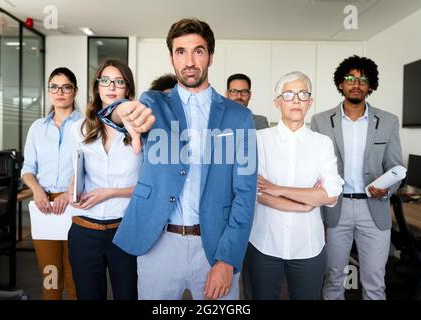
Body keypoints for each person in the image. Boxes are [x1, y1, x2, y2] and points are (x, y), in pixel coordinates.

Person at [101, 18, 257, 300]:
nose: (189, 61)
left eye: (198, 51)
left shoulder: (239, 117)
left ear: (210, 55)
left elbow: (245, 193)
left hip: (215, 246)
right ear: (171, 57)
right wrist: (121, 112)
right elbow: (120, 112)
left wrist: (228, 259)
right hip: (159, 242)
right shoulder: (153, 103)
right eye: (180, 52)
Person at [311, 55, 403, 300]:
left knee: (375, 281)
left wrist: (388, 188)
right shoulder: (320, 121)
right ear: (340, 84)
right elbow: (313, 168)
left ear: (370, 86)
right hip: (335, 209)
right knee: (333, 278)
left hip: (374, 209)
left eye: (363, 79)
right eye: (350, 78)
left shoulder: (388, 121)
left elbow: (395, 166)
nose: (356, 84)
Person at [245, 71, 343, 300]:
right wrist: (305, 203)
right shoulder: (259, 139)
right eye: (288, 94)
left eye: (302, 94)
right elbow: (255, 191)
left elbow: (330, 194)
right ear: (277, 102)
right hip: (264, 244)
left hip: (308, 247)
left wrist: (278, 189)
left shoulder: (322, 143)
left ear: (310, 102)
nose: (296, 99)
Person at [67, 59, 142, 300]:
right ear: (97, 87)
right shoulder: (79, 128)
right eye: (105, 80)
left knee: (127, 296)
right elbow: (76, 171)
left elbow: (150, 185)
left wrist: (110, 192)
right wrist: (72, 189)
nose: (112, 86)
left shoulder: (143, 130)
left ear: (127, 89)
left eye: (119, 81)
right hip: (84, 231)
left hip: (125, 231)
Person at [21, 67, 82, 300]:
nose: (60, 91)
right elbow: (28, 170)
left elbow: (89, 167)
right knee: (51, 279)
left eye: (66, 86)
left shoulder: (86, 125)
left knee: (76, 280)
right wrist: (36, 190)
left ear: (74, 91)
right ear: (48, 90)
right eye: (54, 86)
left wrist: (69, 192)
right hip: (44, 206)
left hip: (75, 205)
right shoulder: (38, 128)